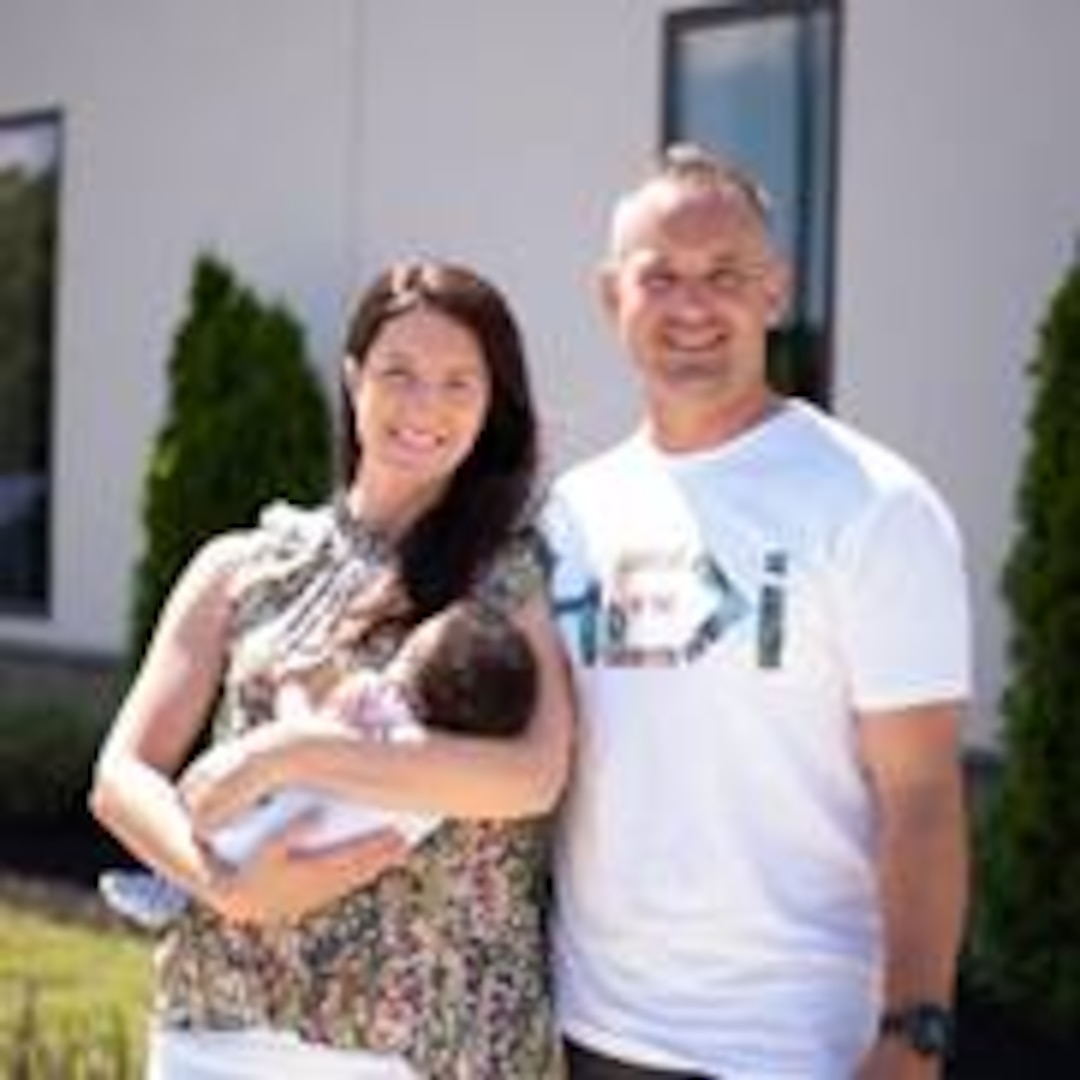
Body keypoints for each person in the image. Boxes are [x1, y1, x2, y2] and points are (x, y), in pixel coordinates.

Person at [541, 144, 971, 1079]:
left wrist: (911, 1036)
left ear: (775, 292)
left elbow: (926, 795)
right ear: (612, 296)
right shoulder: (571, 512)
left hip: (796, 1044)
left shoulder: (873, 503)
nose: (693, 305)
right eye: (661, 277)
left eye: (726, 275)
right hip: (595, 1033)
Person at [90, 259, 574, 1079]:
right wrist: (227, 886)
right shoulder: (239, 566)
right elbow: (120, 776)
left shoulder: (512, 578)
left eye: (460, 382)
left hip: (425, 1046)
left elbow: (530, 778)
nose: (426, 405)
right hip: (218, 1032)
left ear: (493, 404)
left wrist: (287, 753)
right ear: (352, 379)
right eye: (399, 373)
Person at [99, 597, 540, 932]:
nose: (393, 663)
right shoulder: (447, 782)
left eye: (408, 654)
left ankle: (171, 885)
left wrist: (292, 687)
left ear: (421, 679)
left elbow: (306, 742)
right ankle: (174, 886)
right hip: (331, 867)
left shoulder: (382, 715)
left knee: (221, 831)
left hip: (273, 836)